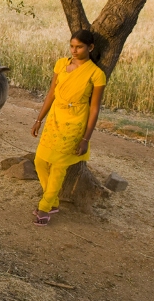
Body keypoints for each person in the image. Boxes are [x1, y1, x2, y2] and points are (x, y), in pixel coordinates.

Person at [30, 30, 106, 226]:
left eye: (79, 47)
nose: (74, 50)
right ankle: (53, 201)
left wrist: (86, 139)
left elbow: (95, 109)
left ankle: (45, 207)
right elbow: (51, 94)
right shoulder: (61, 64)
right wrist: (39, 119)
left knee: (59, 167)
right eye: (72, 46)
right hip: (55, 118)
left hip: (75, 122)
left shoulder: (96, 75)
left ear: (90, 48)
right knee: (39, 160)